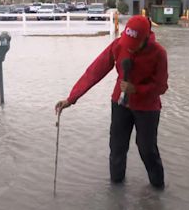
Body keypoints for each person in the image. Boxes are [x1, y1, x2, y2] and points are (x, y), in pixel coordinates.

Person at [55, 15, 168, 189]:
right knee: (117, 147)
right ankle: (116, 192)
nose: (129, 49)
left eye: (134, 45)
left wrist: (137, 90)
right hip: (120, 103)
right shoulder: (119, 45)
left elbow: (161, 87)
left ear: (146, 38)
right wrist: (71, 98)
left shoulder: (159, 53)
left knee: (147, 149)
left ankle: (158, 189)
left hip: (147, 107)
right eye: (127, 43)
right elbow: (94, 71)